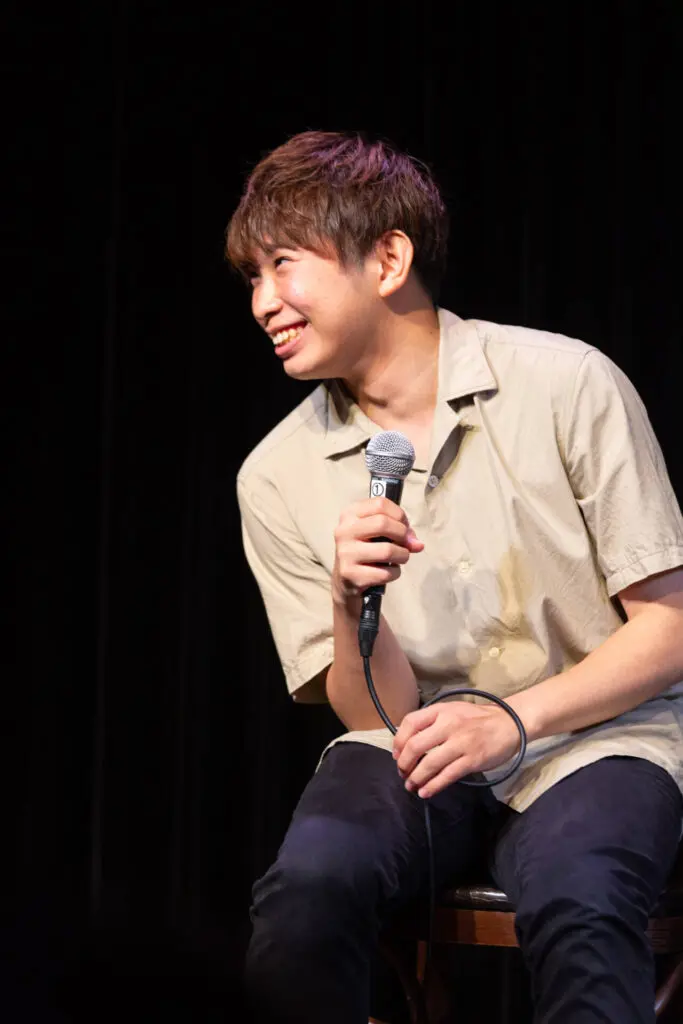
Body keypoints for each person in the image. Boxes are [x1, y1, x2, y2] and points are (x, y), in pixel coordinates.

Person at [226, 129, 683, 1023]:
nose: (262, 302)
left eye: (282, 265)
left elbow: (669, 628)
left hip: (595, 733)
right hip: (414, 747)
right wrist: (349, 602)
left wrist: (512, 720)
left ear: (387, 259)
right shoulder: (274, 474)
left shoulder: (566, 383)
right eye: (250, 277)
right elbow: (373, 713)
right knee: (308, 890)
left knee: (581, 894)